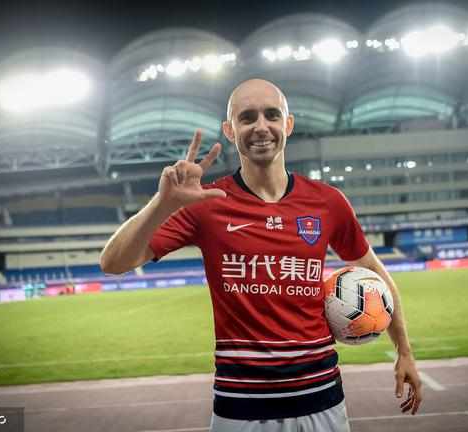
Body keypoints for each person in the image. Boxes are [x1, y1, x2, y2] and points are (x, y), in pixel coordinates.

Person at [100, 79, 422, 431]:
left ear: (288, 124)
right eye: (247, 117)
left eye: (272, 115)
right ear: (230, 130)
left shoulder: (328, 202)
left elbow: (376, 275)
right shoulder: (206, 204)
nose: (261, 127)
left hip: (324, 400)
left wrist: (404, 351)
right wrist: (162, 204)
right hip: (240, 407)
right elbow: (113, 263)